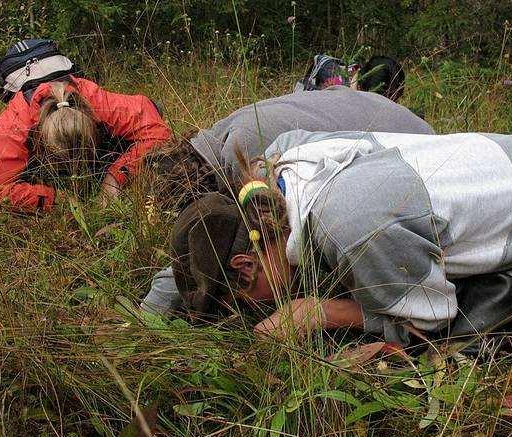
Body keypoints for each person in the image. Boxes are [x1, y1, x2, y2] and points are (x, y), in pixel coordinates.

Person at [161, 129, 512, 347]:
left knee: (461, 329)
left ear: (246, 269)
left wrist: (323, 311)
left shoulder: (347, 230)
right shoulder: (286, 161)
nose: (258, 309)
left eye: (245, 303)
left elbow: (430, 322)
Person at [141, 85, 436, 315]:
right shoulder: (218, 137)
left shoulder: (243, 153)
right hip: (376, 107)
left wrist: (151, 313)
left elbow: (220, 248)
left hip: (413, 149)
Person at [0, 76, 172, 210]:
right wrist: (53, 199)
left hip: (93, 146)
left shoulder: (98, 102)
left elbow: (157, 132)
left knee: (156, 112)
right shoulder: (15, 128)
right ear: (42, 137)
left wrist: (115, 177)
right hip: (17, 153)